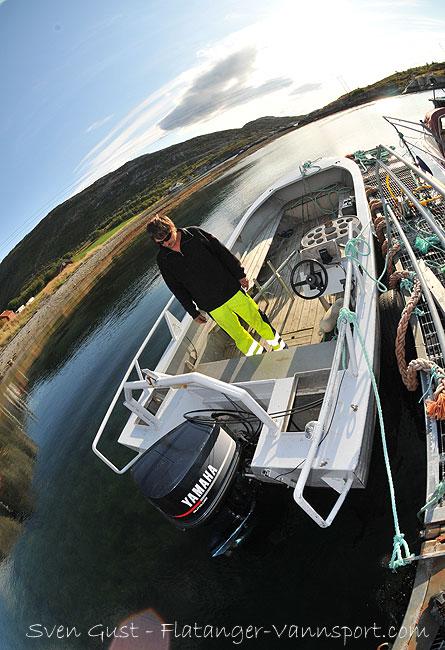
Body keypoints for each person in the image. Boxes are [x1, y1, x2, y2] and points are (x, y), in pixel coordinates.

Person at [146, 214, 287, 356]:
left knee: (257, 319)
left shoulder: (195, 234)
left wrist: (240, 274)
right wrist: (193, 312)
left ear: (172, 227)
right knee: (237, 334)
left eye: (168, 237)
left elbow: (222, 253)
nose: (166, 243)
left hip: (231, 290)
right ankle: (258, 355)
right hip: (212, 305)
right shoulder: (163, 260)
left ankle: (280, 347)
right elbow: (176, 288)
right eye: (161, 242)